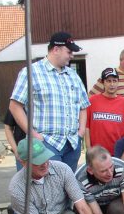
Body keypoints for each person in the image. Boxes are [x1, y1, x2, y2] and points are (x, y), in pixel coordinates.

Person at [9, 32, 89, 172]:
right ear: (56, 49)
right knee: (49, 188)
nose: (72, 56)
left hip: (71, 144)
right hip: (46, 143)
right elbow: (15, 106)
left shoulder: (73, 75)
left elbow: (83, 106)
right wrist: (33, 134)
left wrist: (81, 131)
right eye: (69, 52)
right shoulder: (31, 72)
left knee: (67, 187)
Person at [85, 67, 124, 155]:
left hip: (118, 153)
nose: (112, 84)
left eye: (114, 81)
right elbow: (86, 127)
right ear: (103, 82)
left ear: (118, 82)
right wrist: (89, 150)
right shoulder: (92, 101)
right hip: (97, 154)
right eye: (108, 81)